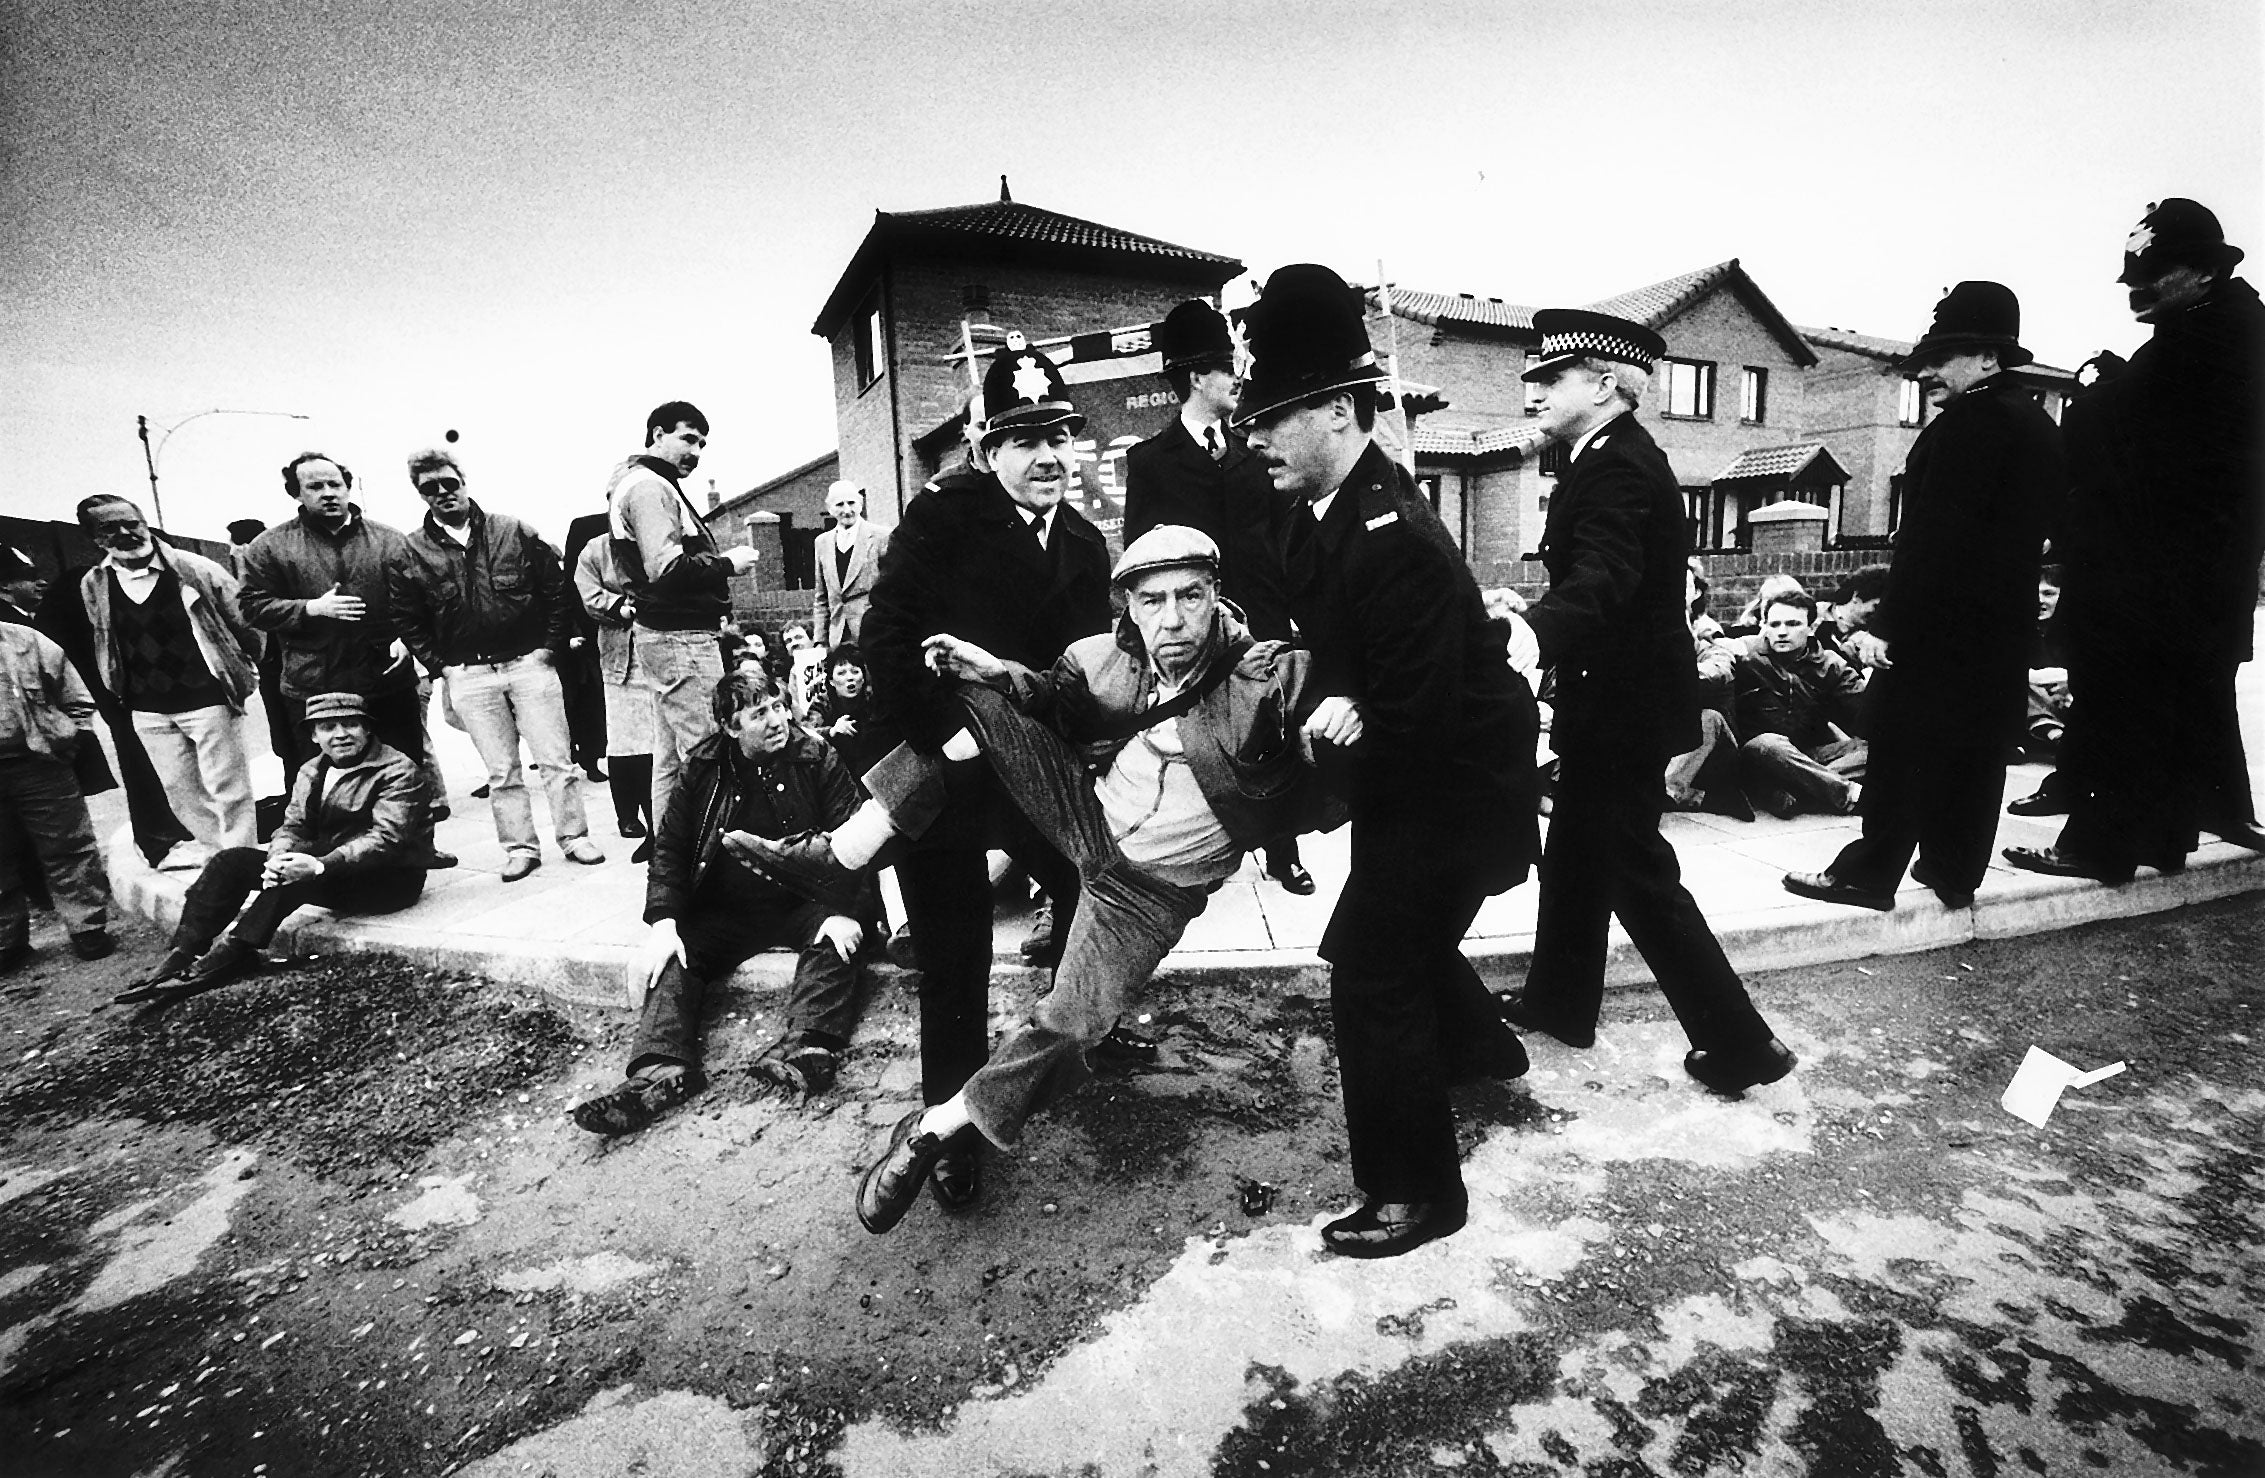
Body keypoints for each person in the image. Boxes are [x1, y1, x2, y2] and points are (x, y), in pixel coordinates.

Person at [849, 526, 1348, 1233]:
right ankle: (844, 848)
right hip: (1083, 822)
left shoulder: (1265, 674)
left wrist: (1341, 701)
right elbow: (1049, 699)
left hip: (1148, 891)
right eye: (1152, 601)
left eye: (1190, 596)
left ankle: (934, 1129)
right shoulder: (1109, 658)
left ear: (1216, 595)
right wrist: (992, 668)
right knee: (971, 698)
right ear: (1127, 606)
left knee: (1070, 1023)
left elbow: (1329, 678)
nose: (1171, 620)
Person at [1237, 264, 1539, 1258]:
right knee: (1388, 940)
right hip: (1429, 778)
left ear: (1334, 408)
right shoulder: (1330, 511)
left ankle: (1418, 1190)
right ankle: (1484, 1048)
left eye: (1275, 414)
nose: (1257, 434)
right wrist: (1342, 699)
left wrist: (1354, 721)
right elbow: (1349, 654)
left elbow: (1417, 712)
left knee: (1372, 967)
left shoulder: (1388, 530)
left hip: (1455, 786)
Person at [1496, 308, 1795, 1100]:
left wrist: (1536, 630)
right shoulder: (1604, 455)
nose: (1535, 392)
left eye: (1550, 378)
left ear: (1601, 382)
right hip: (1614, 700)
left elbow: (1606, 574)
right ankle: (1558, 1002)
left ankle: (1742, 1045)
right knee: (1577, 856)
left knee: (1634, 871)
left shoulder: (1618, 465)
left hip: (1621, 707)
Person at [856, 333, 1112, 1215]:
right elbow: (883, 638)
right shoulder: (944, 516)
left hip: (1034, 773)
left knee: (1096, 888)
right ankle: (951, 1131)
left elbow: (1081, 673)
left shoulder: (1082, 540)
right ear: (988, 448)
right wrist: (944, 736)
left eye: (1059, 436)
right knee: (954, 954)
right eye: (1024, 440)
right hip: (951, 772)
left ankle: (1071, 1039)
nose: (1048, 457)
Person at [1785, 282, 2064, 912]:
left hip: (1939, 632)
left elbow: (1934, 544)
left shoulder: (1964, 427)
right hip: (1999, 629)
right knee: (1976, 756)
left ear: (1990, 357)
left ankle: (1866, 873)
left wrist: (1892, 625)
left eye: (1944, 356)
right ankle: (1953, 869)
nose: (1927, 371)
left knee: (1902, 751)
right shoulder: (2038, 424)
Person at [2008, 198, 2265, 881]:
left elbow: (2129, 442)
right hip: (2198, 575)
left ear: (2203, 272)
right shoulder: (2226, 328)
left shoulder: (2202, 344)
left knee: (2125, 707)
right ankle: (2165, 839)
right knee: (2172, 708)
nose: (2135, 289)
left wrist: (2100, 388)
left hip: (2159, 577)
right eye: (2131, 276)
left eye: (2152, 272)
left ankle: (2100, 848)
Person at [570, 669, 869, 1135]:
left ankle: (807, 1047)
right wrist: (665, 922)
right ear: (730, 728)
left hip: (803, 900)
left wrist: (841, 910)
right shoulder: (704, 767)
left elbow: (855, 839)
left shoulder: (817, 756)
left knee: (840, 942)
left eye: (777, 706)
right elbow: (669, 846)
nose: (777, 721)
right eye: (758, 714)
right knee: (676, 954)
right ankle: (659, 1070)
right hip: (727, 910)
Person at [1124, 299, 1311, 895]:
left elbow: (1285, 533)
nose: (1239, 378)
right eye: (1228, 368)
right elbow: (1141, 556)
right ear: (1197, 378)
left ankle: (1283, 848)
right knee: (1200, 733)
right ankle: (1206, 843)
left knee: (1271, 727)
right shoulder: (1152, 461)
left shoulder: (1255, 451)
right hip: (1196, 626)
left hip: (1262, 619)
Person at [114, 692, 428, 1002]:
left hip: (389, 878)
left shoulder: (398, 771)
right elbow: (293, 824)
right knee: (230, 861)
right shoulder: (312, 770)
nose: (341, 735)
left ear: (367, 729)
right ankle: (183, 953)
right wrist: (277, 857)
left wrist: (319, 865)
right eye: (328, 727)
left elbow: (387, 838)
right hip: (334, 867)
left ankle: (235, 952)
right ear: (314, 735)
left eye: (350, 725)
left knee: (297, 879)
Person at [390, 447, 602, 881]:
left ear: (463, 481)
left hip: (530, 664)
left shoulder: (514, 531)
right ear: (420, 494)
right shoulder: (410, 551)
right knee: (501, 771)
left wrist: (548, 648)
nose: (443, 493)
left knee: (556, 760)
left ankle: (575, 837)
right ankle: (520, 848)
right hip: (468, 674)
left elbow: (557, 592)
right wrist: (440, 667)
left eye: (450, 483)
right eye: (431, 488)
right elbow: (407, 618)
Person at [74, 495, 262, 856]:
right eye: (111, 528)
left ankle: (243, 866)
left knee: (230, 790)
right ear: (94, 538)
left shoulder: (195, 570)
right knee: (180, 791)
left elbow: (247, 621)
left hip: (208, 699)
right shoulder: (95, 583)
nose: (127, 532)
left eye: (133, 522)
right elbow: (105, 637)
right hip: (147, 707)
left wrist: (244, 669)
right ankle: (219, 859)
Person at [606, 401, 760, 835]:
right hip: (680, 639)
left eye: (702, 443)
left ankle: (670, 853)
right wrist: (728, 563)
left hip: (667, 636)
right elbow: (667, 568)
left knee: (669, 759)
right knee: (708, 748)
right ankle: (715, 858)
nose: (695, 450)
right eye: (687, 438)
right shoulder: (648, 487)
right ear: (657, 434)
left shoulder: (646, 484)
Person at [238, 453, 424, 778]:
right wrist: (310, 608)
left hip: (386, 686)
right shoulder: (269, 547)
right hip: (314, 691)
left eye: (335, 484)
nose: (328, 493)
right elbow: (252, 606)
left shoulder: (392, 541)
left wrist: (406, 639)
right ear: (296, 493)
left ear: (347, 488)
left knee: (403, 782)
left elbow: (420, 602)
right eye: (315, 486)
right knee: (323, 789)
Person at [0, 614, 114, 969]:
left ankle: (87, 927)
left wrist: (71, 737)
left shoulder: (27, 641)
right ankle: (7, 941)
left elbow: (76, 697)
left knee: (68, 845)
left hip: (39, 763)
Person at [1731, 591, 1868, 818]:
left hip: (1807, 755)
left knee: (1874, 749)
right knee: (1767, 743)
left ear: (1812, 627)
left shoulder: (1830, 665)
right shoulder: (1746, 652)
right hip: (1758, 756)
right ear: (1764, 625)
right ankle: (1848, 794)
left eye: (1793, 624)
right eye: (1774, 624)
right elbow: (1714, 653)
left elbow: (1867, 709)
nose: (1782, 632)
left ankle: (1801, 789)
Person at [572, 523, 655, 855]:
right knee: (624, 742)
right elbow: (588, 595)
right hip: (620, 657)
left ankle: (661, 820)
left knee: (658, 745)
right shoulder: (595, 550)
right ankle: (629, 814)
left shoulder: (658, 539)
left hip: (661, 655)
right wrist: (620, 606)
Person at [1663, 562, 1751, 819]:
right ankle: (1695, 797)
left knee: (1707, 717)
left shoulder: (1714, 646)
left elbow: (1714, 674)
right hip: (1672, 751)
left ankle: (1664, 790)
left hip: (1717, 753)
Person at [814, 480, 888, 647]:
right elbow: (821, 597)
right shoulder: (822, 542)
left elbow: (892, 590)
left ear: (861, 503)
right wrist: (820, 639)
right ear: (829, 508)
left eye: (851, 503)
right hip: (838, 637)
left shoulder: (882, 537)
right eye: (839, 504)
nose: (847, 510)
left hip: (874, 634)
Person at [1813, 565, 1891, 670]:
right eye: (1875, 607)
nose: (1878, 615)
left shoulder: (1874, 636)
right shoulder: (1815, 616)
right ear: (1856, 596)